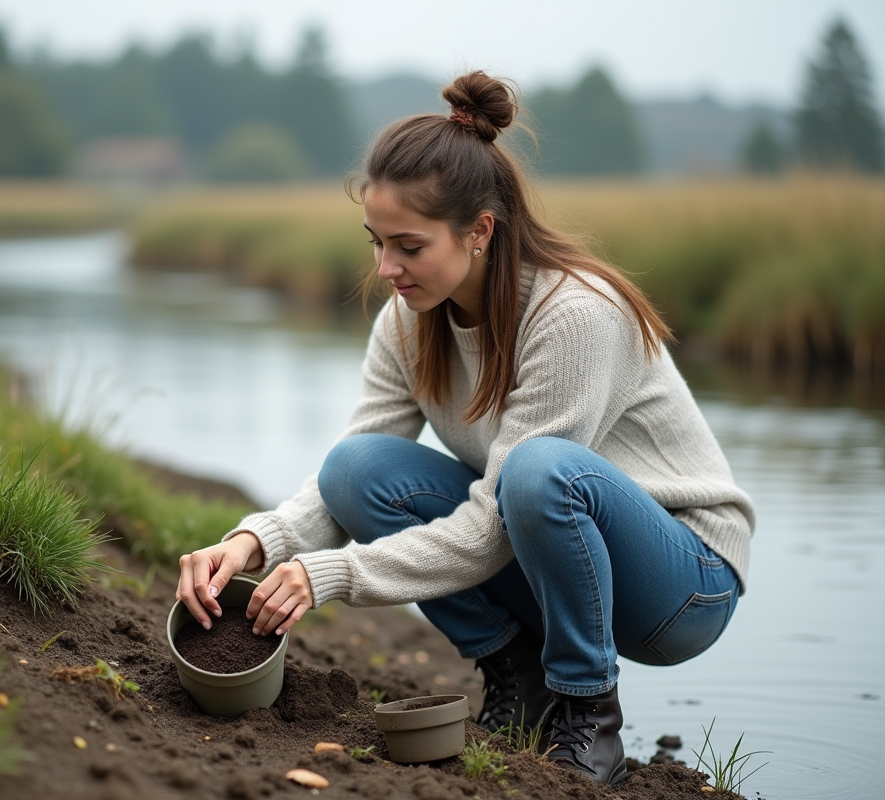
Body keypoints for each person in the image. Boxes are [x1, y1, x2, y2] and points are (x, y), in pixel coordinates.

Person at [175, 70, 754, 786]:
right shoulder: (409, 320)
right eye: (376, 242)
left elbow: (496, 520)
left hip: (681, 584)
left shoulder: (575, 315)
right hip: (554, 548)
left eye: (409, 247)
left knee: (540, 470)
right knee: (356, 467)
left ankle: (586, 712)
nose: (387, 268)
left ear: (479, 230)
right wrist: (253, 541)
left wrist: (331, 576)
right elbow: (348, 483)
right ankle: (518, 676)